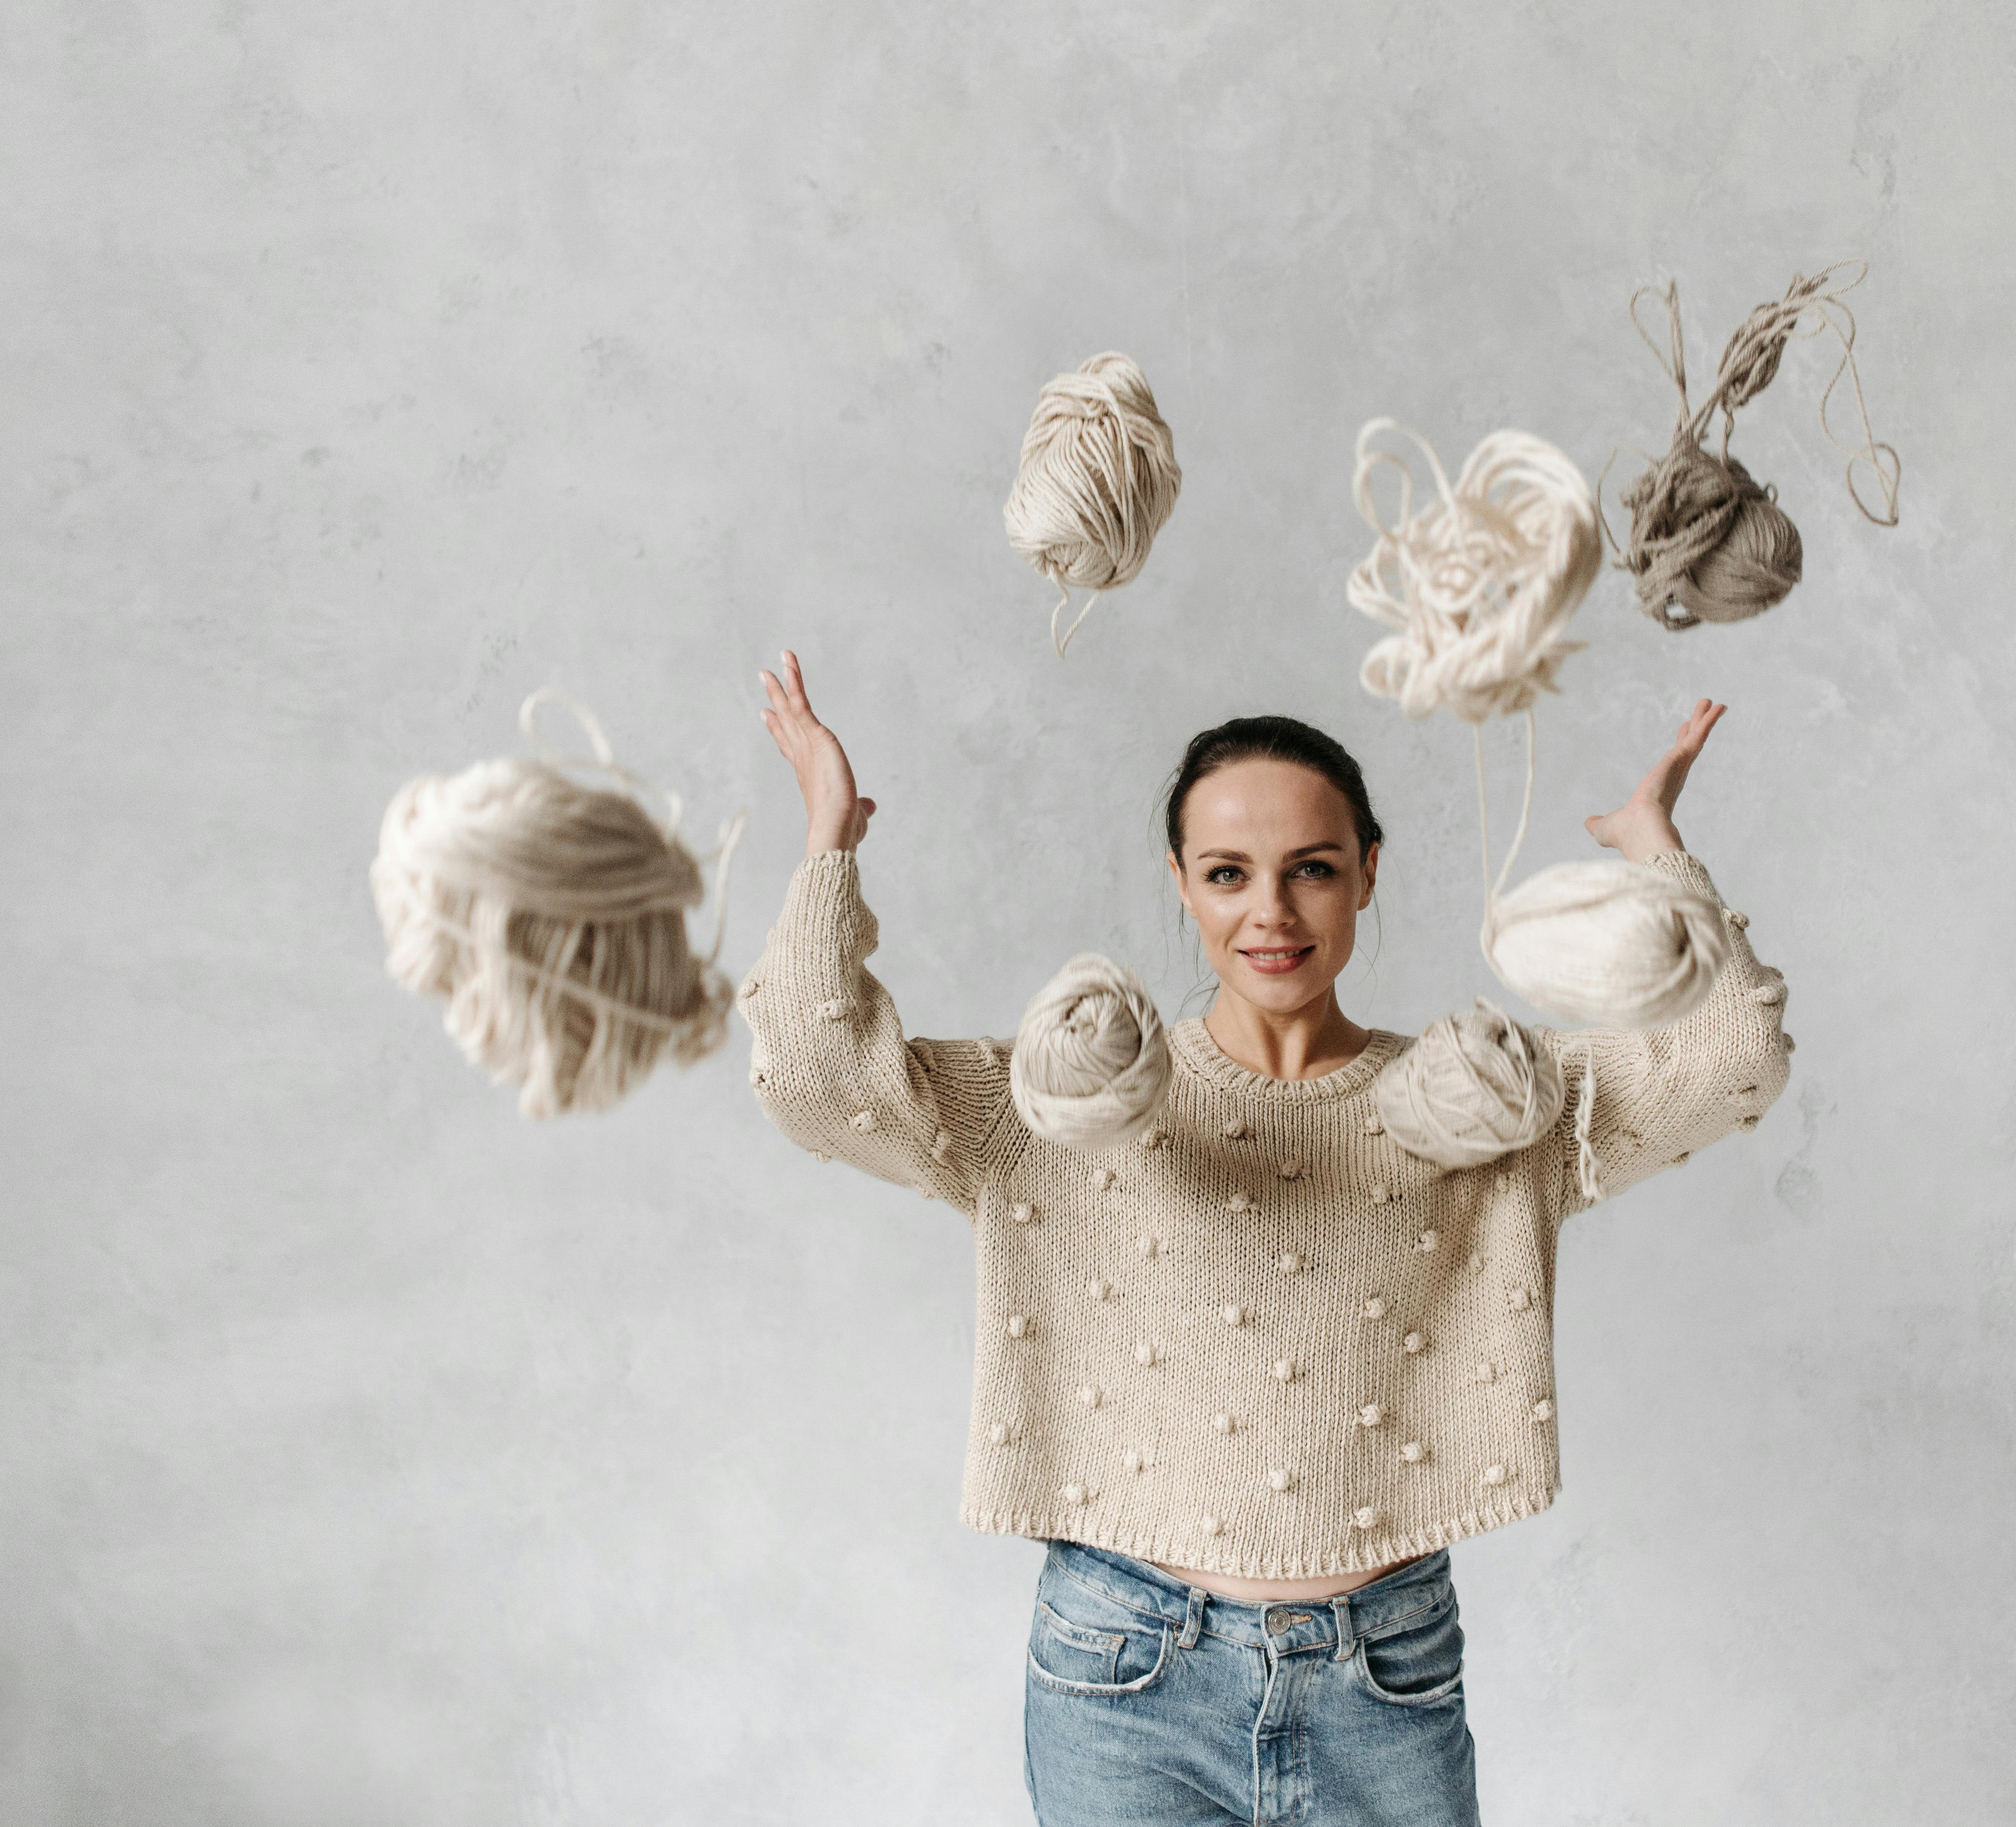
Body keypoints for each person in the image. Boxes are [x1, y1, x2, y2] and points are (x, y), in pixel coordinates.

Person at [745, 649, 1791, 1827]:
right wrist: (828, 835)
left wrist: (1660, 850)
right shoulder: (1066, 1097)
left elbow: (1730, 1063)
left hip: (1383, 1676)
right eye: (1229, 873)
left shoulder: (1487, 1102)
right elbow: (815, 1077)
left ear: (1367, 875)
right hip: (1122, 1681)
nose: (1272, 913)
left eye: (1313, 870)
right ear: (1183, 883)